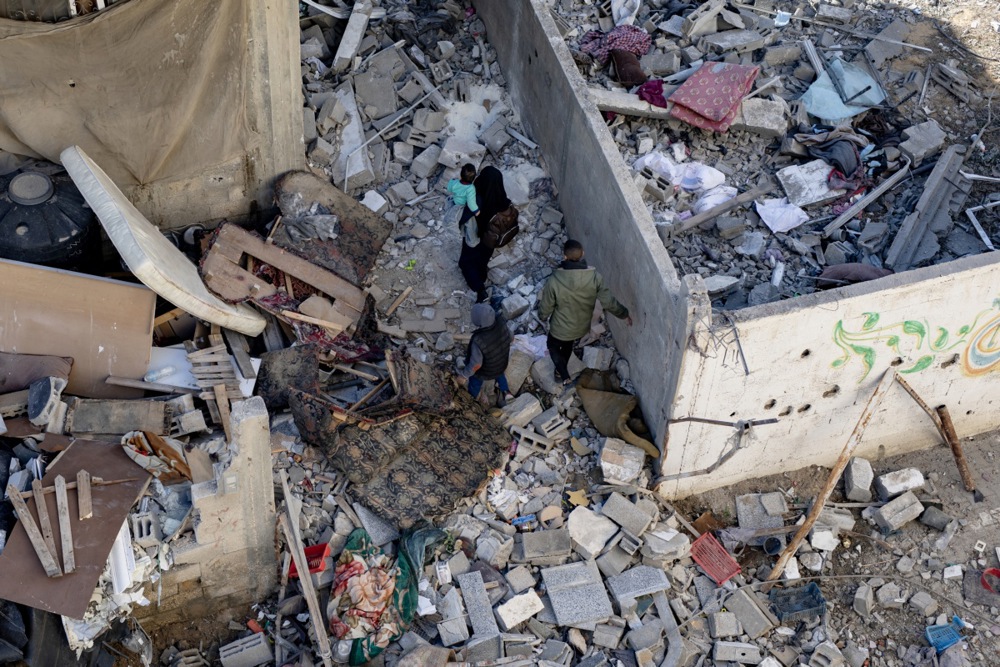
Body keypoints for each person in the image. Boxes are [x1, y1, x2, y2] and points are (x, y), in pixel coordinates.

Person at [538, 239, 632, 385]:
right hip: (580, 327)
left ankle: (563, 375)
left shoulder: (554, 281)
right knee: (568, 344)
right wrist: (624, 314)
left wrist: (542, 316)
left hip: (559, 328)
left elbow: (546, 306)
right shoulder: (595, 277)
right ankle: (559, 372)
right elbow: (608, 302)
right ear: (583, 254)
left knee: (552, 345)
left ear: (564, 257)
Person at [458, 165, 511, 303]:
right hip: (491, 239)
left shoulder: (477, 199)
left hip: (475, 235)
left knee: (466, 261)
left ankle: (479, 289)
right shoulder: (503, 201)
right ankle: (482, 276)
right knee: (483, 259)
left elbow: (465, 217)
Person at [456, 303, 515, 407]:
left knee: (475, 380)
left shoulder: (478, 340)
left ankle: (472, 398)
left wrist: (464, 375)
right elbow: (511, 338)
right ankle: (506, 392)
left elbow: (476, 364)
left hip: (486, 370)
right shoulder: (501, 322)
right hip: (501, 363)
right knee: (500, 374)